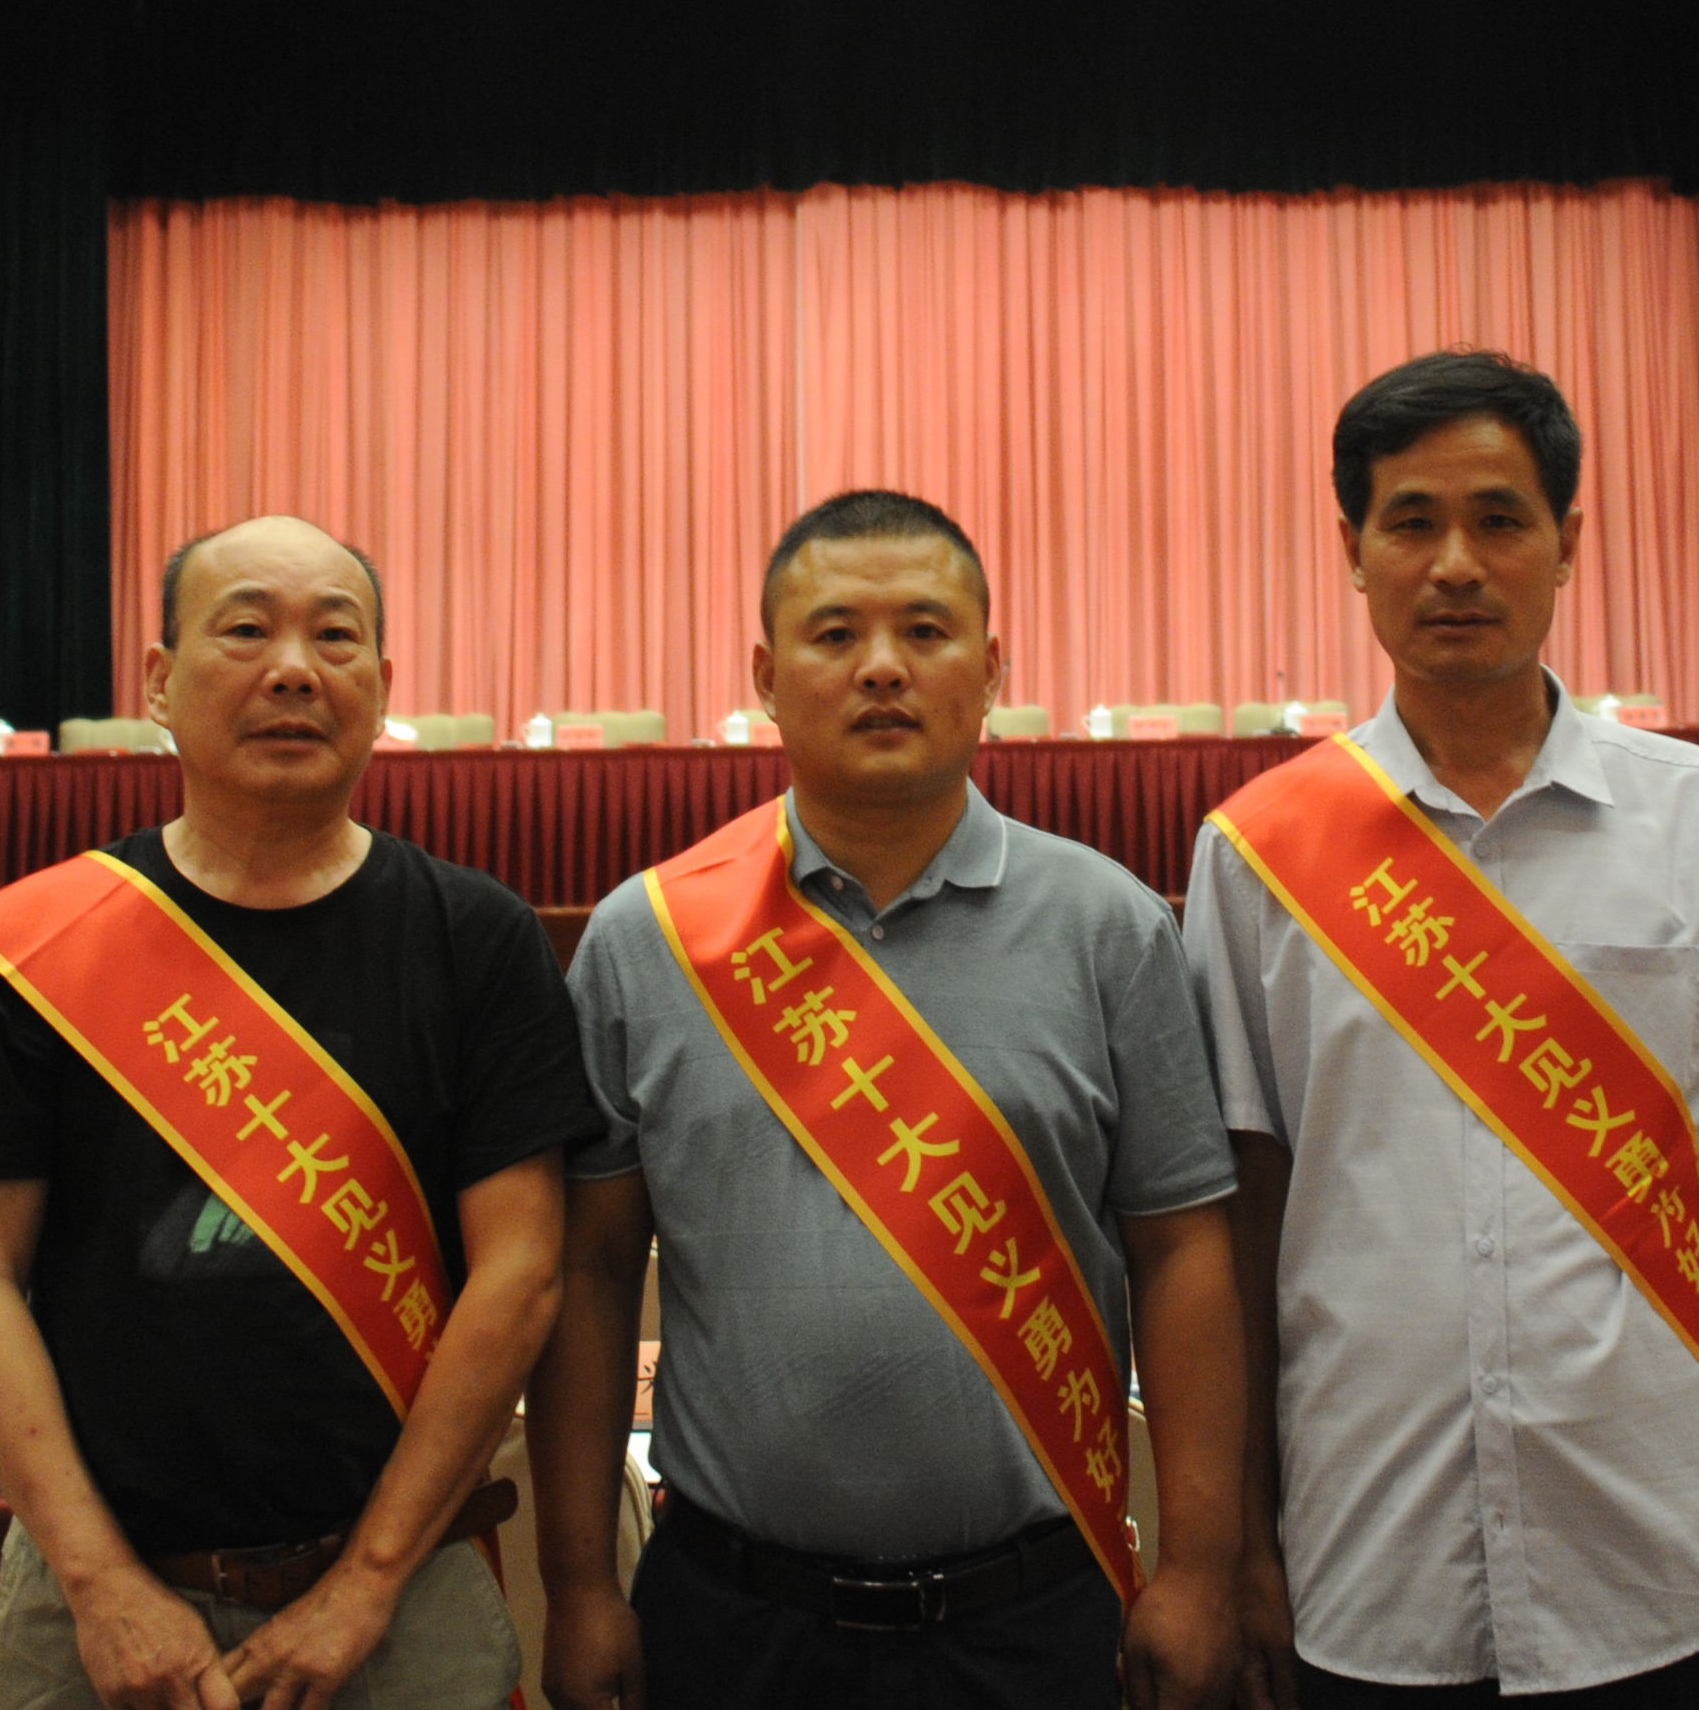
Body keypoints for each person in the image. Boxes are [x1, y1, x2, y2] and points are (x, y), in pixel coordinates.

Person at [1186, 353, 1699, 1708]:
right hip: (1367, 1562)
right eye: (1411, 522)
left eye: (1499, 520)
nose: (1455, 563)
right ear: (1351, 550)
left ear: (1568, 542)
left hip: (1664, 1554)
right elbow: (1242, 1225)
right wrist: (1241, 1546)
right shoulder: (1255, 857)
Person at [529, 489, 1248, 1710]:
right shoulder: (645, 942)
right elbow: (591, 1273)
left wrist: (1197, 1568)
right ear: (765, 675)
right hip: (732, 1620)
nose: (880, 668)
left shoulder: (1108, 928)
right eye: (833, 635)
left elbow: (1180, 1250)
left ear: (991, 668)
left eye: (924, 630)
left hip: (1032, 1616)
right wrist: (580, 1584)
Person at [0, 512, 597, 1710]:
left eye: (334, 637)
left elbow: (522, 1273)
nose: (293, 669)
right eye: (245, 631)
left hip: (404, 1595)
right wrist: (101, 1585)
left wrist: (364, 1585)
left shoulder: (475, 939)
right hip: (90, 1602)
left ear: (382, 685)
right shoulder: (45, 948)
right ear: (158, 682)